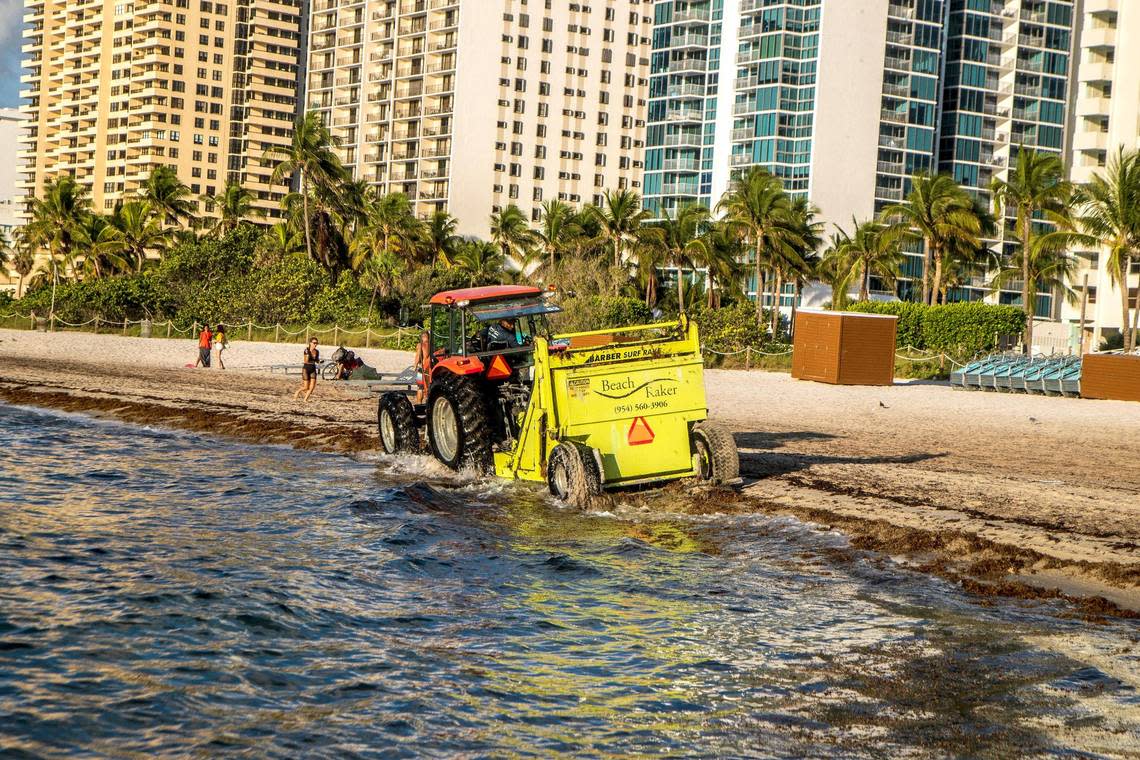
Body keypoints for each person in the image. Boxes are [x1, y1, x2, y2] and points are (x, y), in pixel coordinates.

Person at [413, 330, 431, 403]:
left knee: (420, 387)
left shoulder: (420, 345)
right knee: (429, 387)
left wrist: (415, 366)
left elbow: (418, 356)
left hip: (422, 368)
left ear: (422, 337)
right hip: (430, 368)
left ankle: (419, 405)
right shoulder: (432, 345)